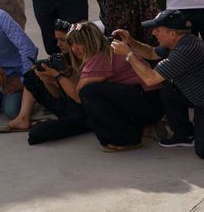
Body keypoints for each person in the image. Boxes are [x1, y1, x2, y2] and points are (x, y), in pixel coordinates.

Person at [108, 9, 204, 159]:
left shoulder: (185, 51)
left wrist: (128, 54)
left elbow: (151, 79)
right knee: (168, 92)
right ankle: (184, 134)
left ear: (172, 34)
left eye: (158, 30)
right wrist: (131, 43)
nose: (153, 33)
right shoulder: (181, 41)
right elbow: (151, 52)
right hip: (199, 97)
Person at [51, 22, 163, 152]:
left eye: (78, 43)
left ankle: (128, 140)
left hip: (150, 103)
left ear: (90, 41)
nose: (74, 48)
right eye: (71, 43)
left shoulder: (101, 57)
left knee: (89, 92)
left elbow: (78, 96)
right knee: (94, 94)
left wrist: (56, 76)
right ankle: (133, 131)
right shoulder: (105, 51)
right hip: (150, 100)